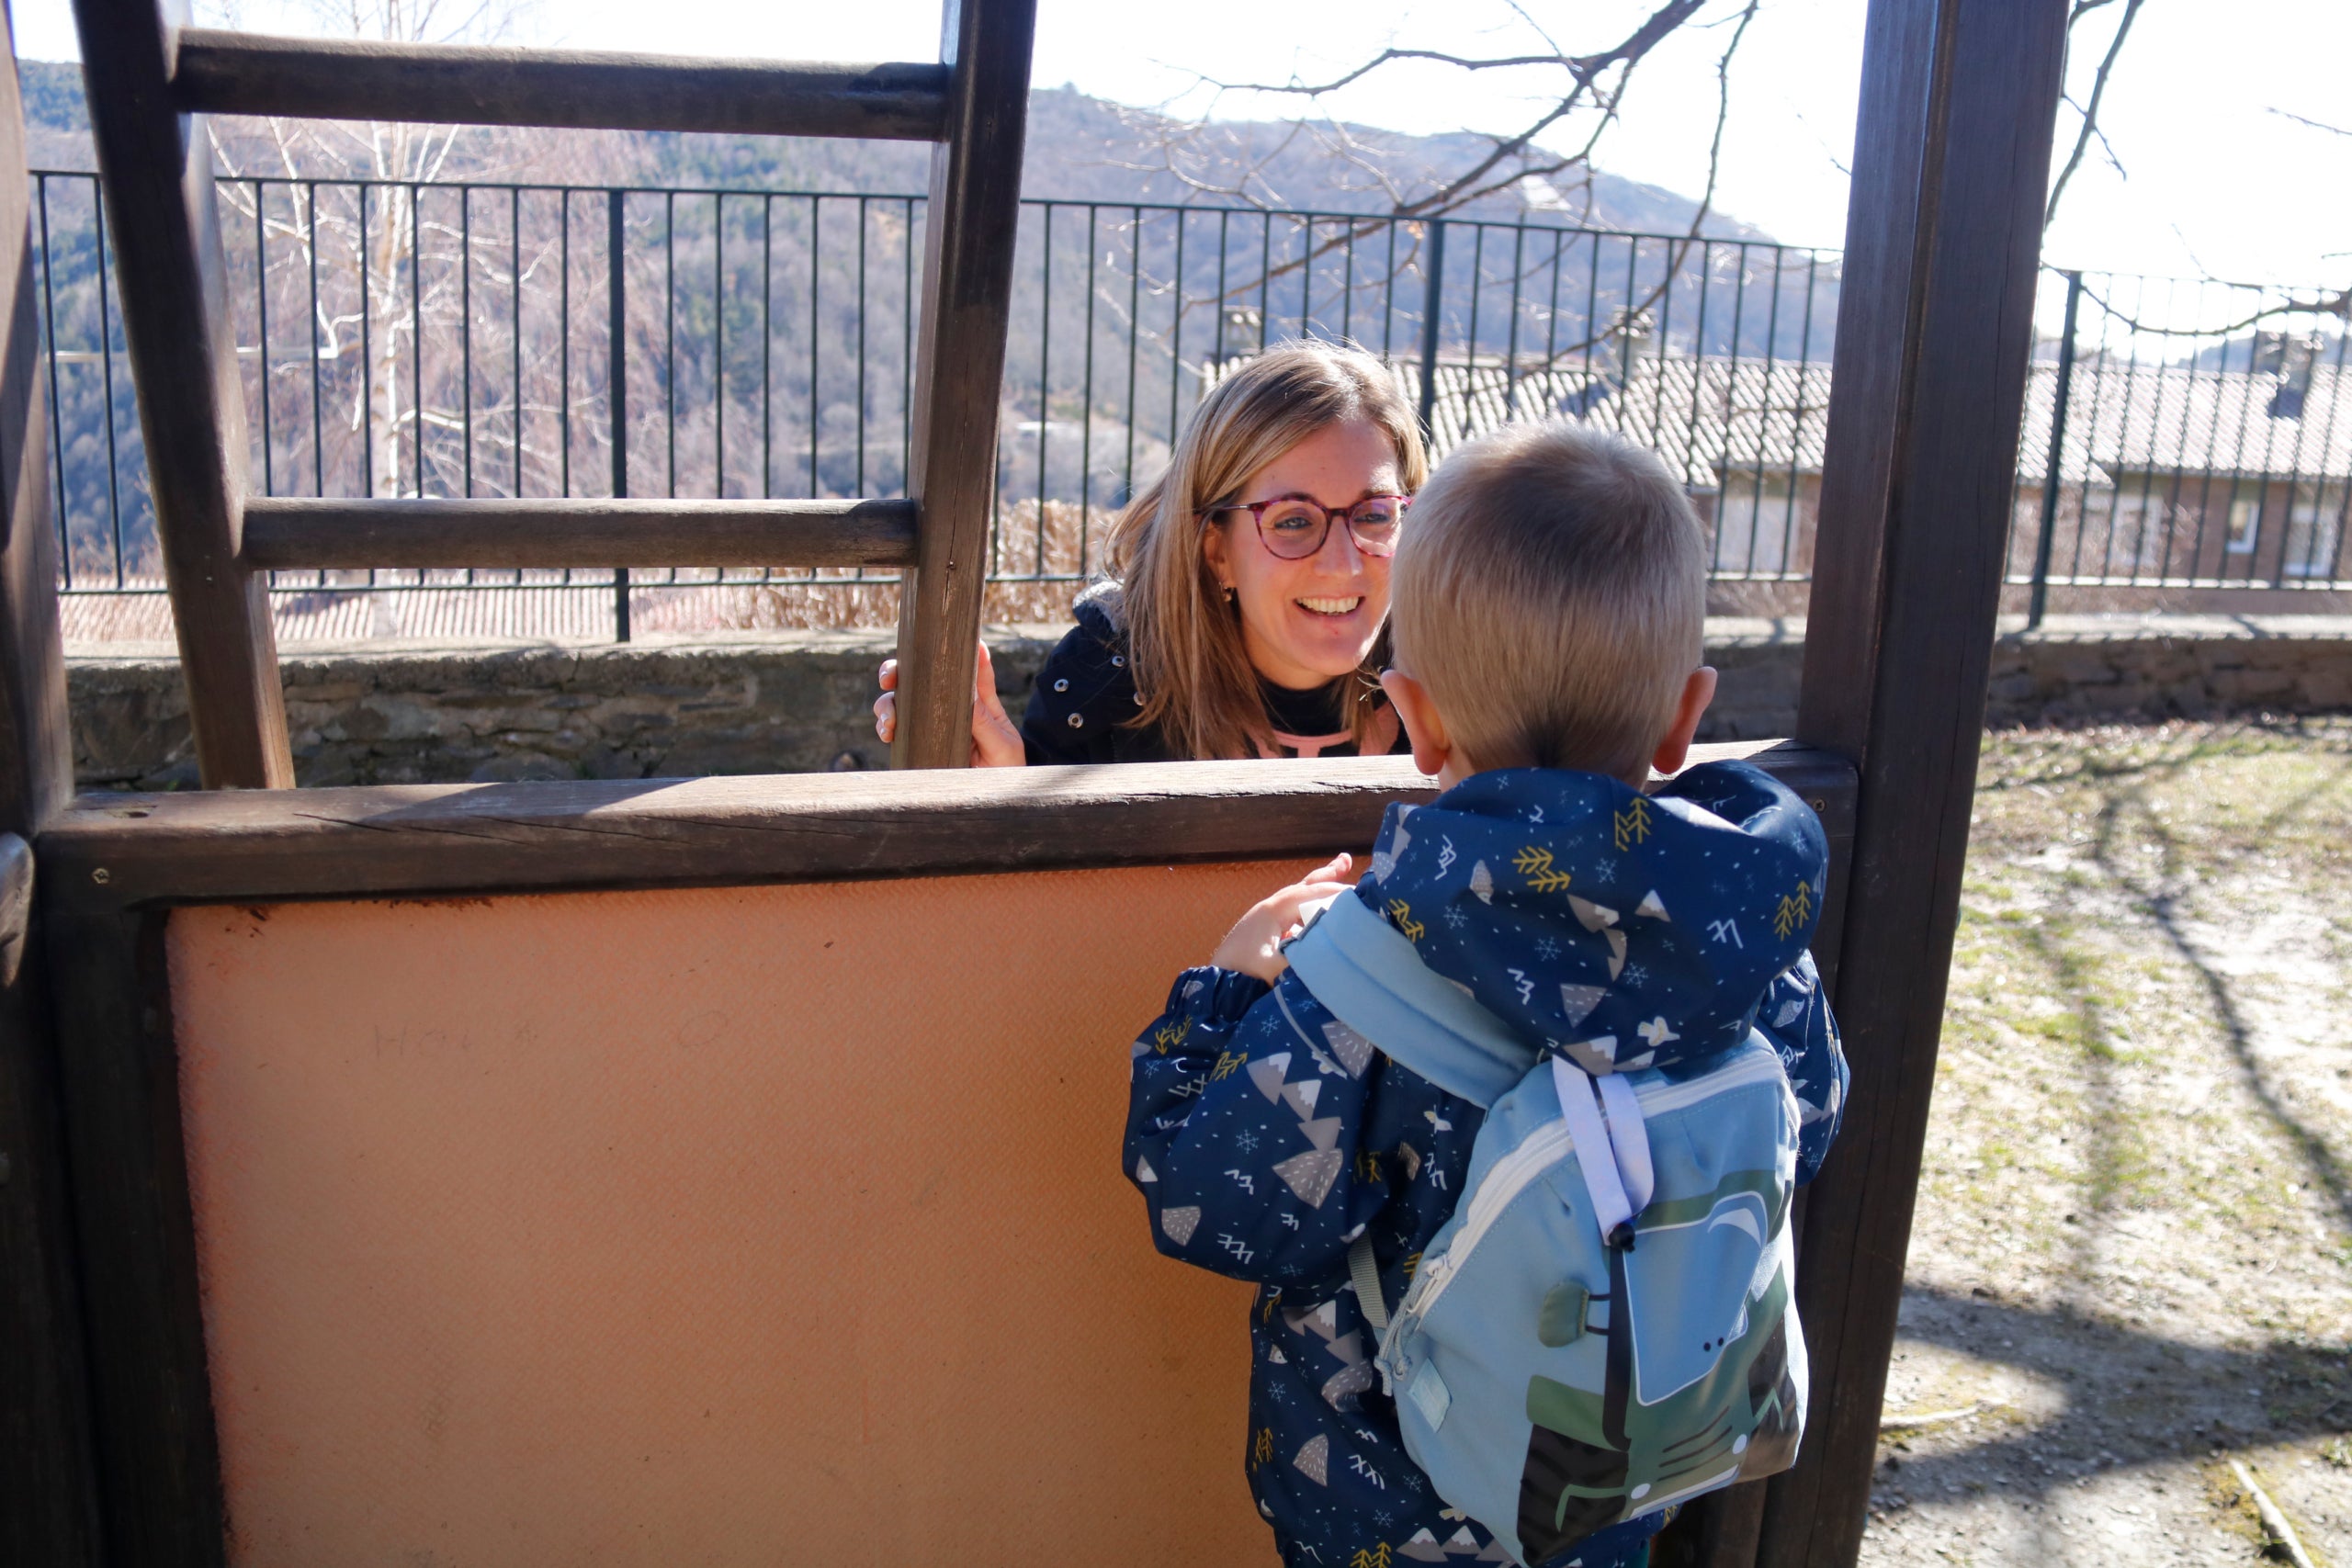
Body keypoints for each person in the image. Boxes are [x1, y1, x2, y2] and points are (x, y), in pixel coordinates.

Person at [1119, 421, 1848, 1568]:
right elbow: (1806, 1130)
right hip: (1619, 1479)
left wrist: (1218, 989)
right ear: (1684, 715)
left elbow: (1214, 1207)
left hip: (1391, 1512)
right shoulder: (1752, 952)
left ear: (1414, 716)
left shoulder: (1364, 978)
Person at [873, 340, 1427, 765]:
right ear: (1216, 551)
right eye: (1294, 521)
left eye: (1374, 514)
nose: (1343, 563)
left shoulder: (1459, 687)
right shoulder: (1107, 690)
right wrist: (999, 798)